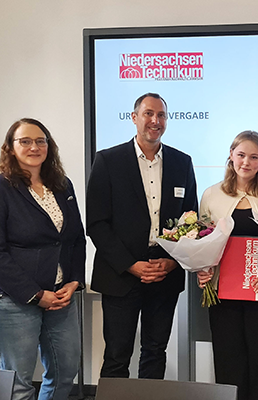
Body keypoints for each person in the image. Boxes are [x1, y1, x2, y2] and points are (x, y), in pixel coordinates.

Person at [87, 93, 198, 379]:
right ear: (134, 117)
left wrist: (173, 262)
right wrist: (131, 265)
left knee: (155, 352)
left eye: (161, 115)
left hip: (164, 274)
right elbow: (97, 223)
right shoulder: (107, 161)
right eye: (149, 113)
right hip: (121, 274)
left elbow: (192, 220)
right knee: (116, 356)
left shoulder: (181, 163)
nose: (155, 121)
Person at [196, 130, 258, 400]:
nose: (246, 162)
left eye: (253, 157)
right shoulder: (212, 195)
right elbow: (200, 240)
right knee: (227, 359)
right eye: (241, 155)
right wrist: (203, 269)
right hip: (223, 292)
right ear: (231, 157)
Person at [0, 118, 85, 400]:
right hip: (16, 299)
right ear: (10, 148)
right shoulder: (3, 187)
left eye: (40, 141)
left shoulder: (61, 185)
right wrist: (36, 295)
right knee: (19, 383)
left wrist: (74, 282)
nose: (34, 147)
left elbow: (75, 239)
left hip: (62, 296)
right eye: (25, 141)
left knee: (65, 372)